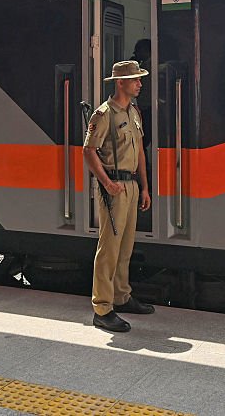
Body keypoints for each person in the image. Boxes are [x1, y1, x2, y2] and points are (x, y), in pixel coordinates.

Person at [83, 60, 153, 332]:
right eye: (135, 79)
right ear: (120, 83)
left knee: (125, 247)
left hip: (131, 186)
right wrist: (107, 183)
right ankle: (102, 308)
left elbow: (141, 152)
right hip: (114, 187)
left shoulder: (133, 112)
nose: (140, 84)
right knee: (109, 249)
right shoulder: (104, 115)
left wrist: (144, 187)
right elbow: (89, 151)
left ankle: (121, 296)